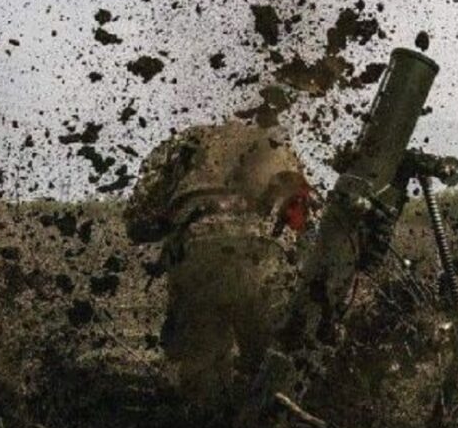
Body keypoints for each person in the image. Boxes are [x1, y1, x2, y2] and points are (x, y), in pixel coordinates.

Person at [124, 120, 315, 408]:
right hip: (263, 253)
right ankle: (273, 424)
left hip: (199, 248)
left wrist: (170, 222)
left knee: (201, 365)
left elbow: (137, 222)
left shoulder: (185, 145)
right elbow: (304, 223)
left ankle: (209, 424)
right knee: (272, 358)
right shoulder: (274, 145)